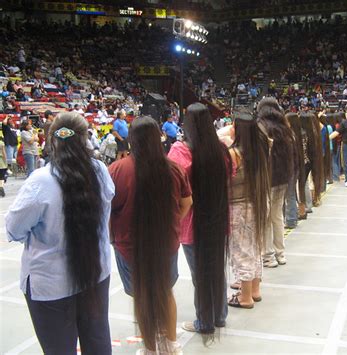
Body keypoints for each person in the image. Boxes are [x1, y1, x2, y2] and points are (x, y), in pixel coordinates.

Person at [5, 112, 115, 354]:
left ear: (52, 141)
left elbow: (14, 228)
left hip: (52, 285)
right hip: (96, 273)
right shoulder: (100, 170)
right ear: (86, 139)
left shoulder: (41, 181)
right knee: (97, 341)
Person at [108, 116, 192, 355]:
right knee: (165, 291)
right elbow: (187, 203)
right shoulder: (173, 169)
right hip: (166, 243)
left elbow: (107, 210)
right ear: (159, 137)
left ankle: (150, 347)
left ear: (131, 139)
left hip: (128, 246)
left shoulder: (117, 170)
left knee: (141, 296)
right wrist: (173, 222)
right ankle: (172, 344)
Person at [168, 103, 231, 336]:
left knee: (200, 273)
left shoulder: (179, 151)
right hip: (218, 217)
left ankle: (204, 321)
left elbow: (172, 180)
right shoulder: (221, 151)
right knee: (216, 267)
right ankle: (219, 315)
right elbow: (230, 174)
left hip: (191, 223)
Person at [228, 110, 271, 309]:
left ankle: (244, 297)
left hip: (239, 207)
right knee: (255, 247)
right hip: (258, 203)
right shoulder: (260, 149)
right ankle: (254, 289)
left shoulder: (234, 153)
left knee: (241, 250)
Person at [257, 97, 294, 267]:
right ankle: (281, 253)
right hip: (282, 178)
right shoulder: (284, 127)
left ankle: (268, 256)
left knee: (265, 218)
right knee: (277, 216)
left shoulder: (260, 126)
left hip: (266, 178)